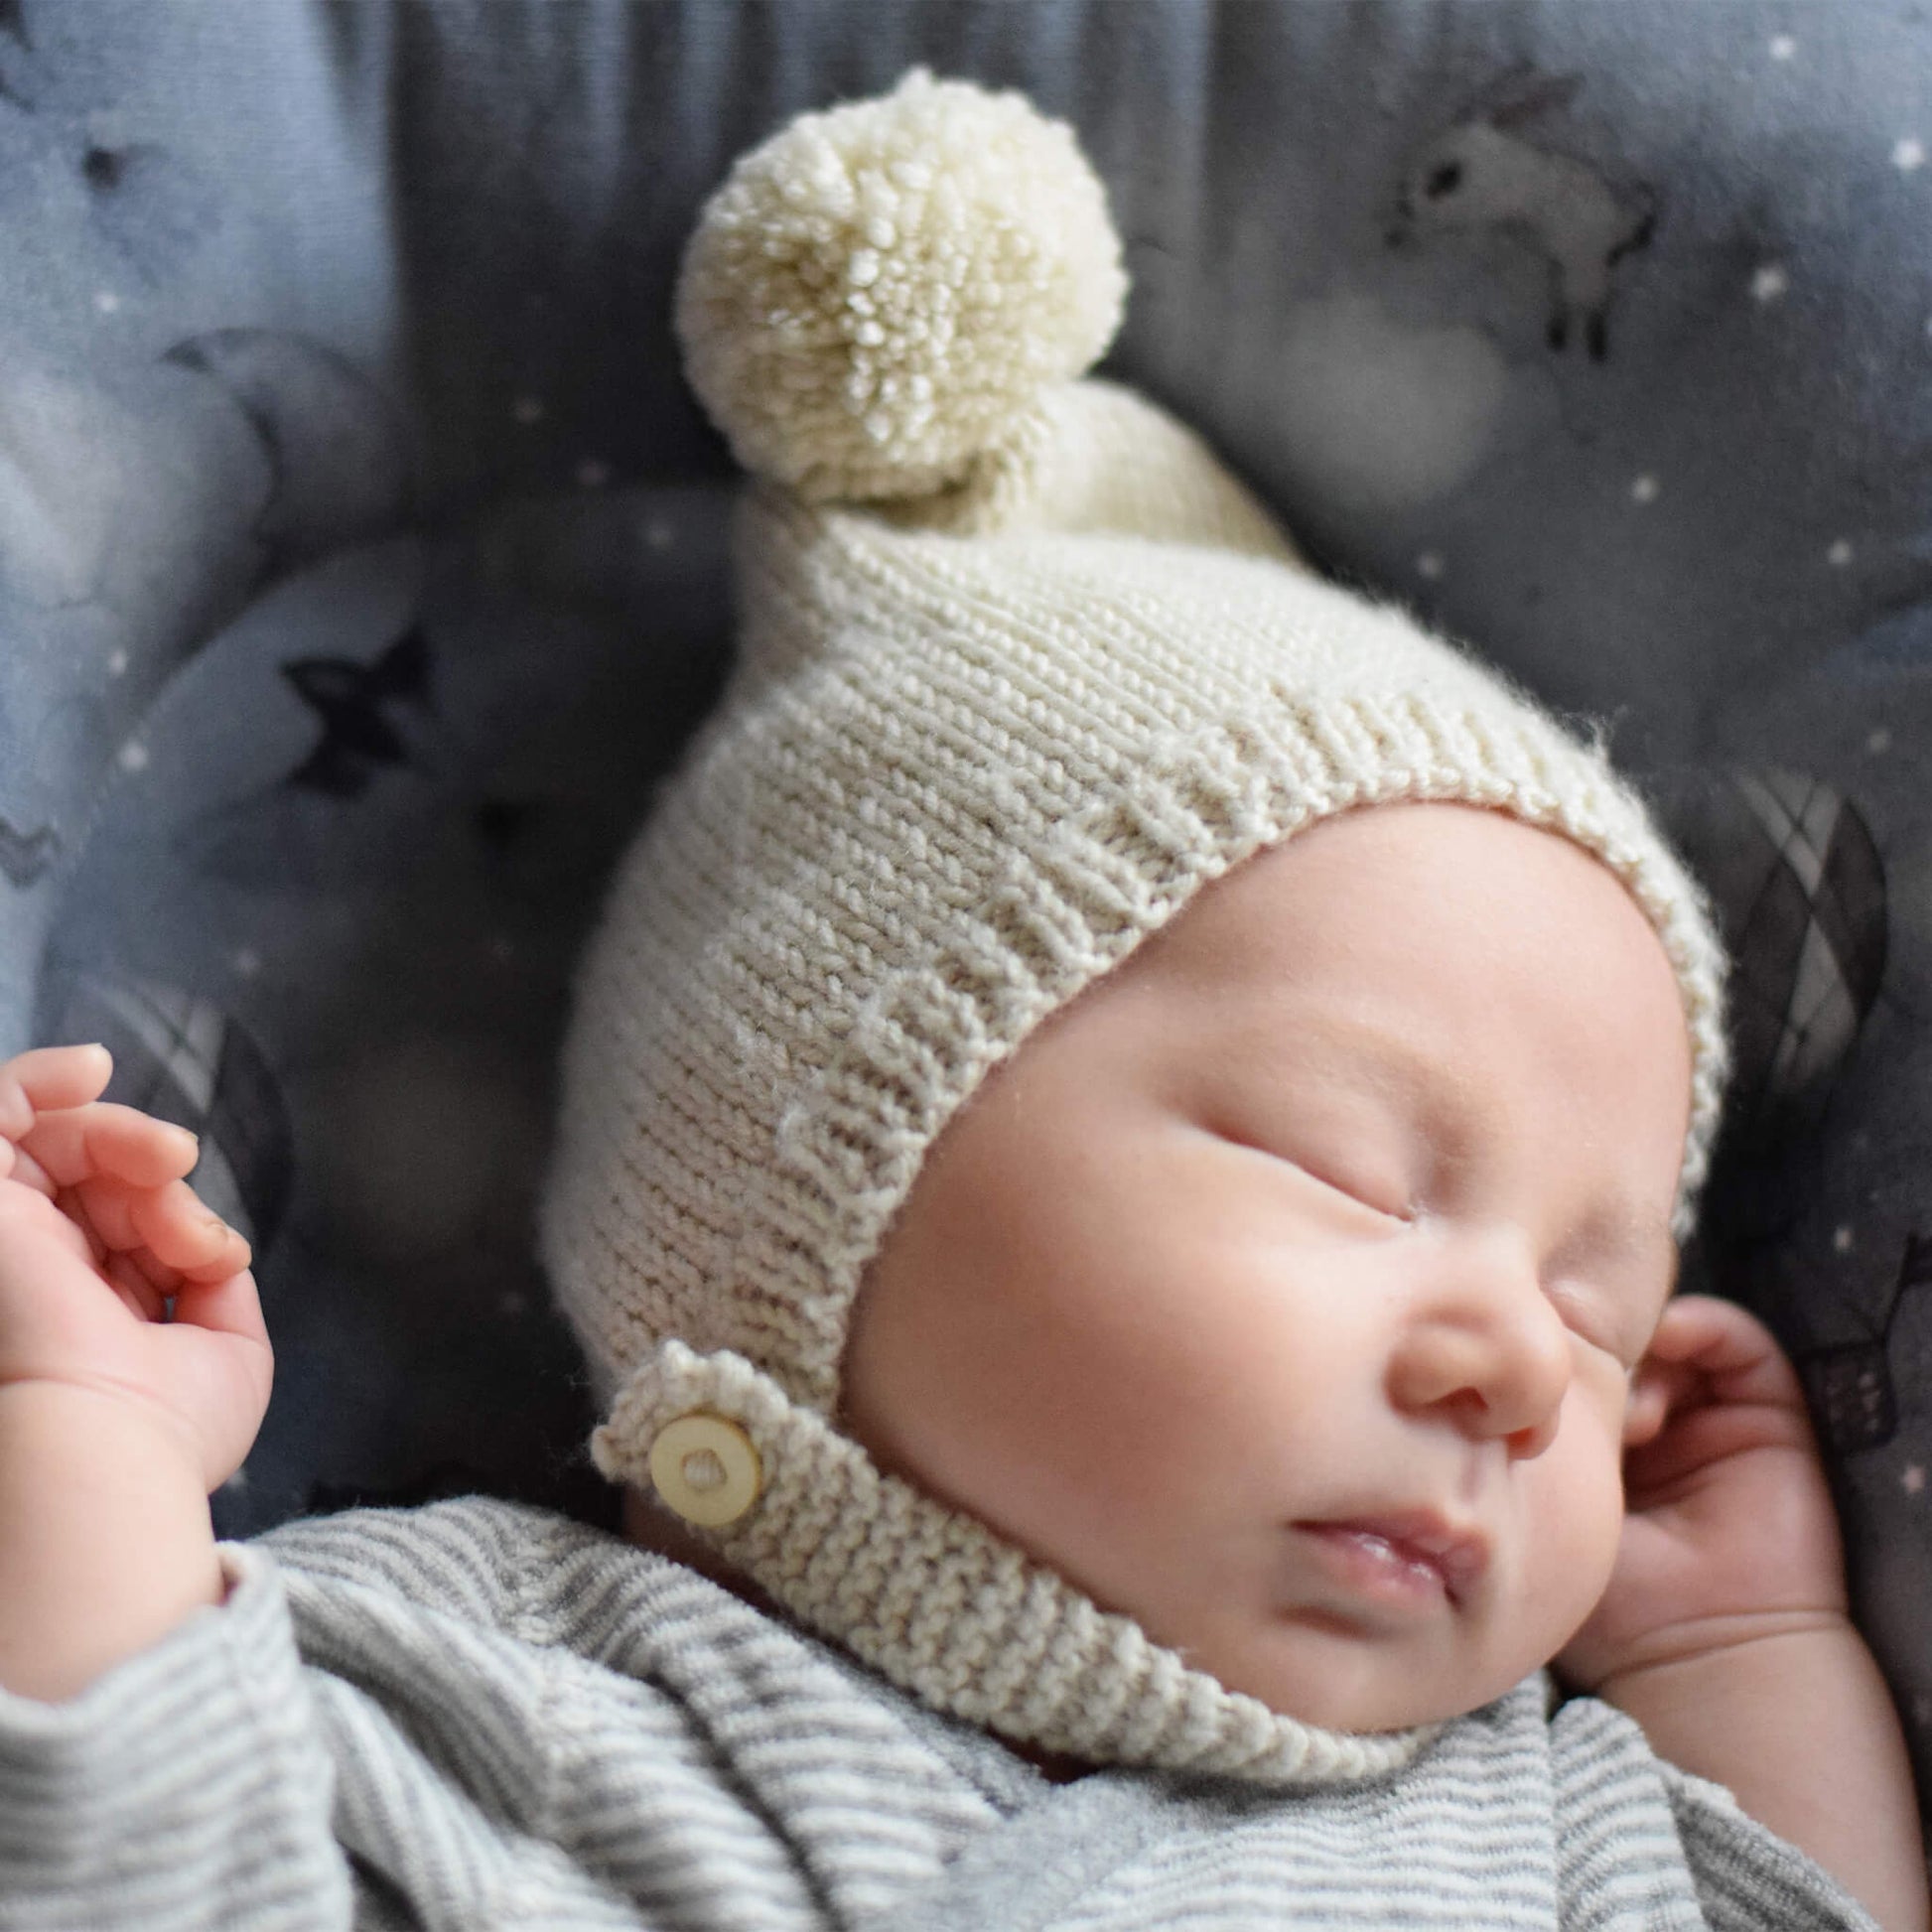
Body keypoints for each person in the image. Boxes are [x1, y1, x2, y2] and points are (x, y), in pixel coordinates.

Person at [0, 69, 1924, 1932]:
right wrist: (85, 1438)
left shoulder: (1537, 1813)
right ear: (811, 1171)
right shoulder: (503, 1688)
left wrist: (1725, 1645)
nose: (1515, 1369)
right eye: (1343, 1168)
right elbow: (107, 1855)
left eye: (1600, 1318)